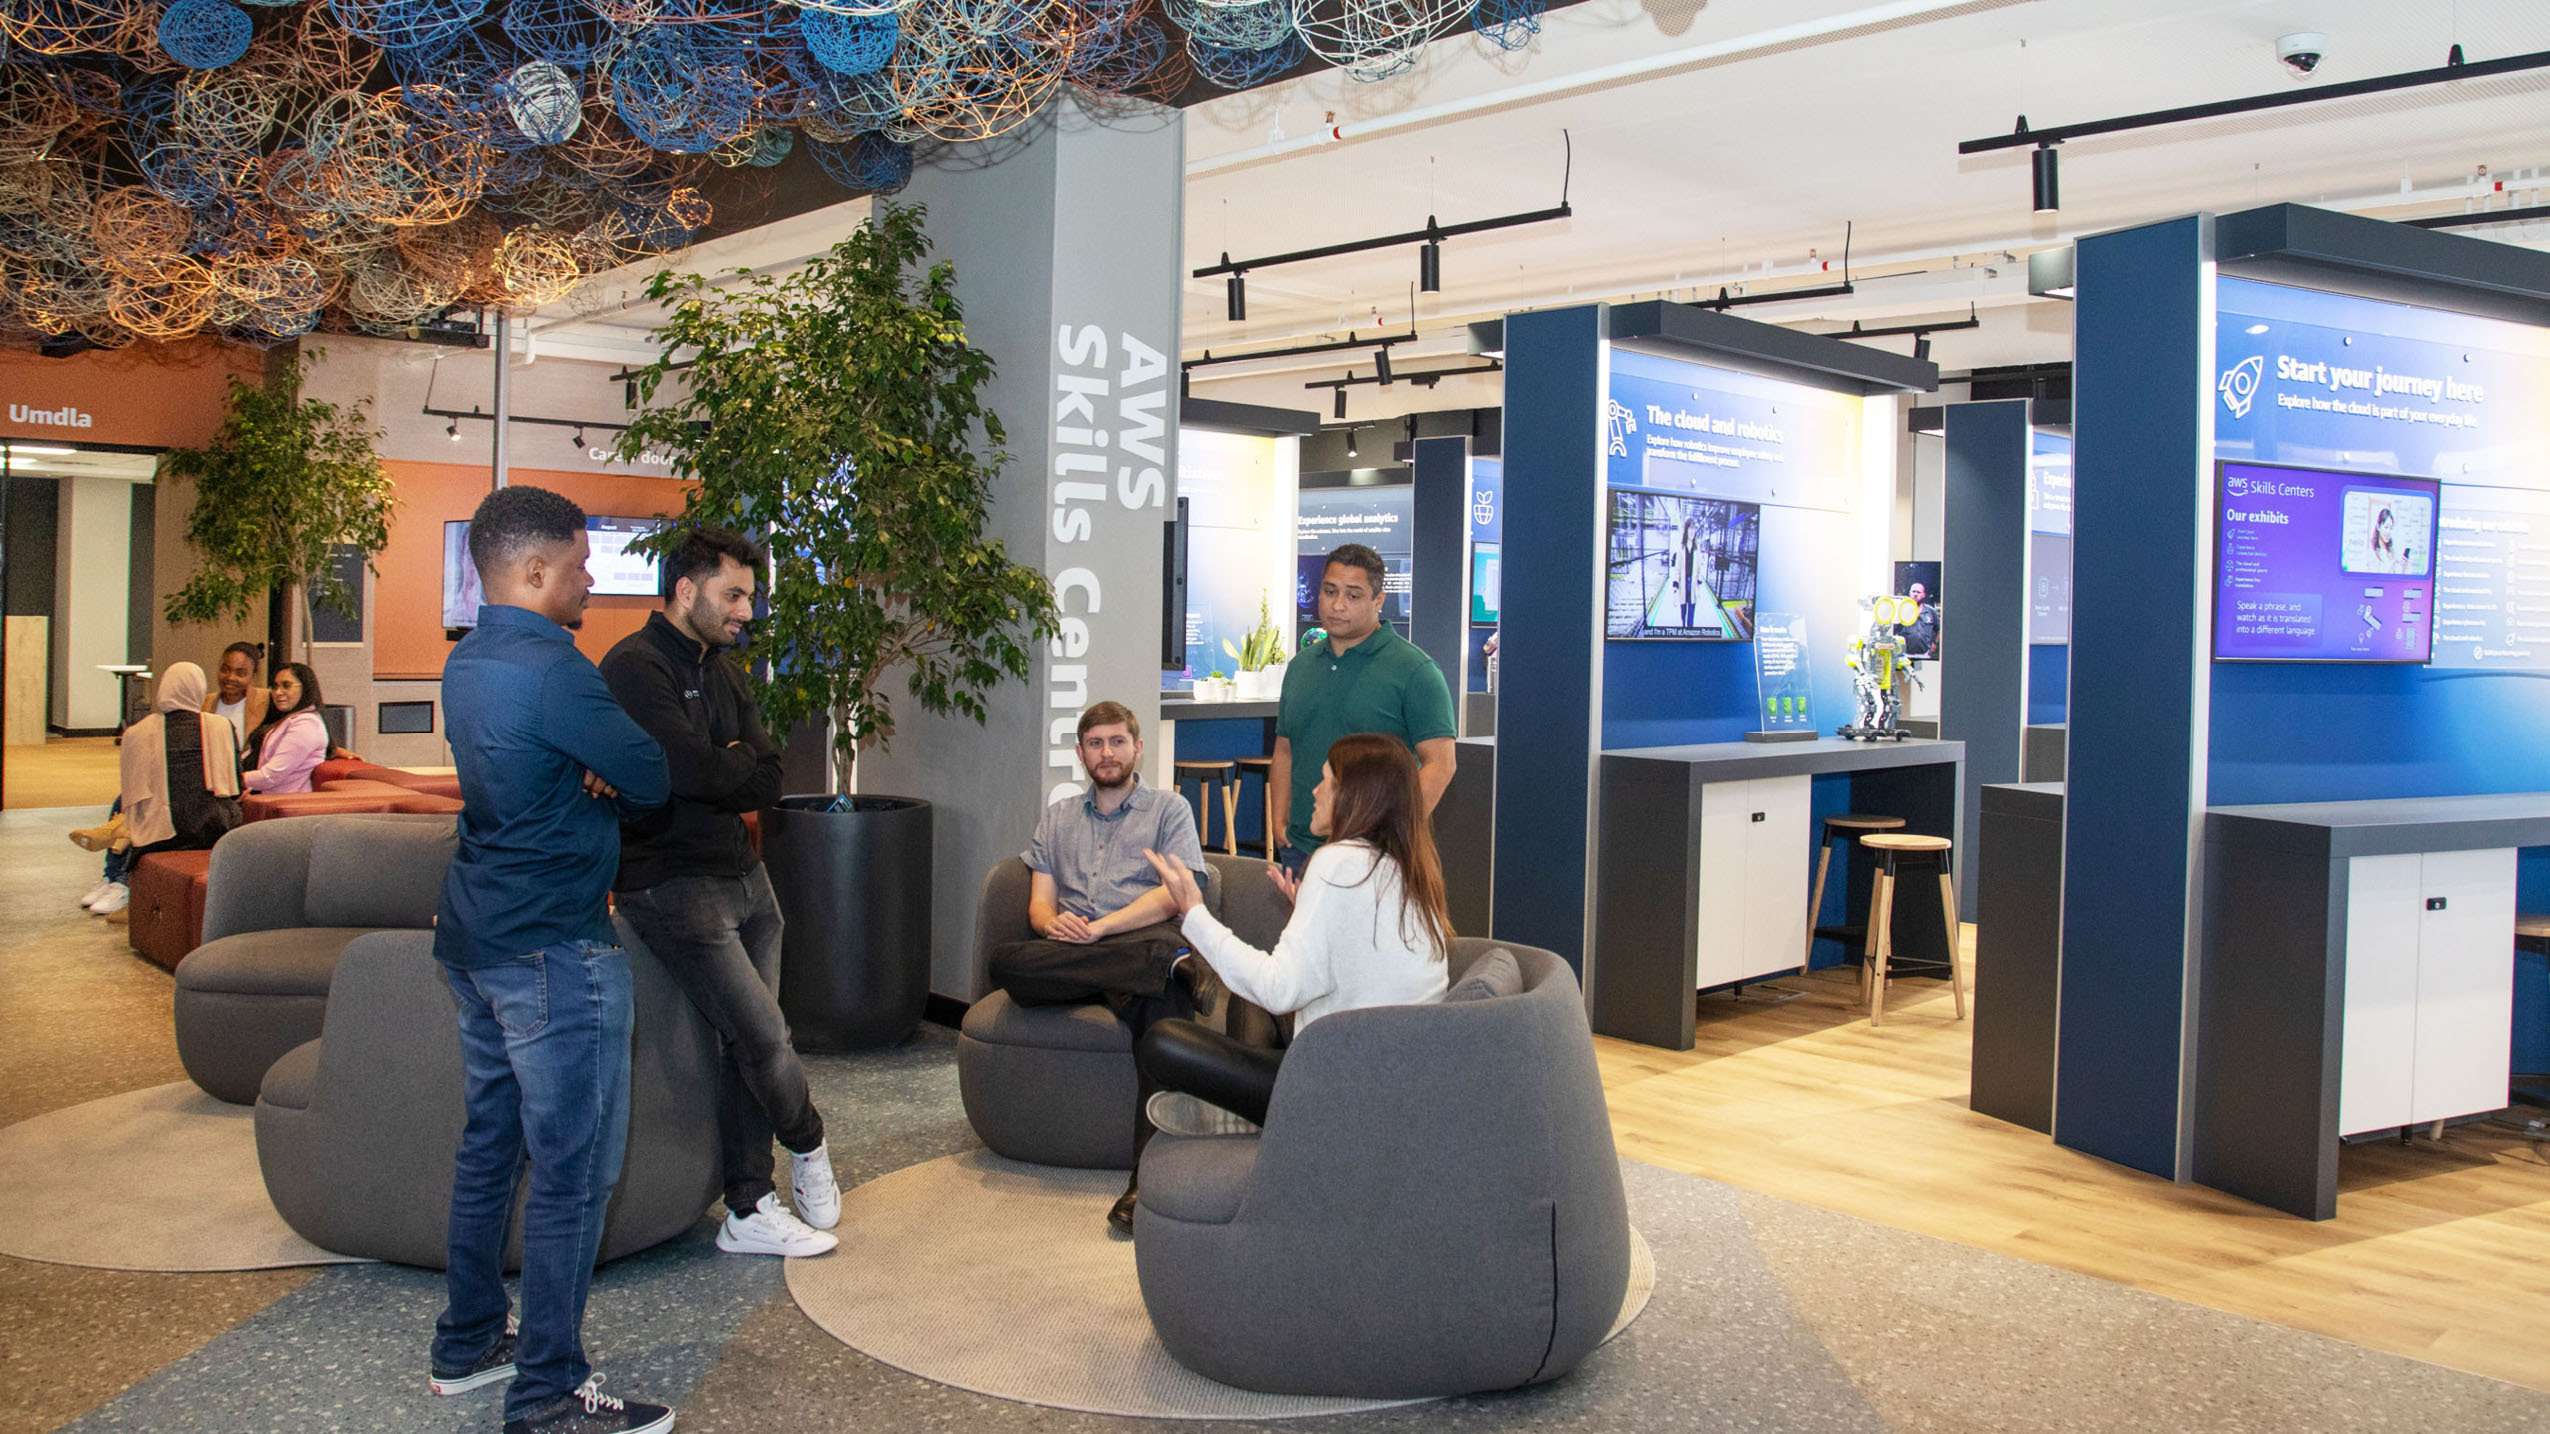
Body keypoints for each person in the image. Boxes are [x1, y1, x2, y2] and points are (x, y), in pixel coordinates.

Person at [429, 485, 675, 1434]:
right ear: (533, 572)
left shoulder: (470, 661)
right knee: (573, 1170)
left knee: (492, 1144)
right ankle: (547, 1393)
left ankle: (466, 1345)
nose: (589, 580)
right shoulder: (556, 669)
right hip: (553, 949)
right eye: (578, 565)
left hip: (475, 937)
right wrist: (602, 769)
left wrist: (588, 770)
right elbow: (650, 775)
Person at [600, 528, 840, 1261]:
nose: (747, 611)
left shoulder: (726, 669)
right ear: (685, 591)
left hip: (745, 877)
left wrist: (722, 767)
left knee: (749, 1042)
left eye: (749, 595)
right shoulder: (634, 669)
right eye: (734, 595)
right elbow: (684, 772)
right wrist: (718, 766)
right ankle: (808, 1139)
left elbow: (769, 774)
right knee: (766, 1034)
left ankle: (748, 1205)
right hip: (672, 883)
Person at [1134, 733, 1452, 1131]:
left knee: (1162, 1041)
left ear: (1354, 797)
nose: (1315, 791)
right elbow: (1348, 965)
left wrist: (1193, 912)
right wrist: (1309, 911)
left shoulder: (1337, 862)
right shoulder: (1407, 866)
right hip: (1393, 1076)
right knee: (1250, 1005)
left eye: (1327, 782)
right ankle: (1249, 1114)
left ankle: (1260, 1118)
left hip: (1342, 1089)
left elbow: (1278, 989)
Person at [990, 699, 1215, 1233]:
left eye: (1117, 741)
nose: (1107, 752)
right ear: (1080, 753)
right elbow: (1039, 903)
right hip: (1080, 951)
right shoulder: (1059, 816)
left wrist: (1103, 929)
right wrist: (1053, 928)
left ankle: (1145, 1180)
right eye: (1096, 743)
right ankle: (1165, 963)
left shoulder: (1168, 810)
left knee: (1163, 1017)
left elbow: (1175, 896)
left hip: (1136, 935)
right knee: (1007, 962)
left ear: (1138, 748)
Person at [1271, 544, 1457, 876]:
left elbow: (1440, 765)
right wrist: (1279, 818)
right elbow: (1285, 750)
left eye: (1353, 596)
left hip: (1377, 858)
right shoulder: (1300, 667)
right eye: (1330, 591)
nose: (1337, 605)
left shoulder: (1416, 670)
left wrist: (1396, 834)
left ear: (1378, 601)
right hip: (1300, 849)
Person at [80, 663, 244, 915]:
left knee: (129, 808)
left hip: (159, 835)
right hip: (213, 828)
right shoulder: (221, 726)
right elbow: (235, 784)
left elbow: (133, 792)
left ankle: (118, 879)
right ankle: (116, 880)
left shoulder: (137, 732)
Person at [242, 662, 329, 795]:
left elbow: (270, 776)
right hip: (264, 799)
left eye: (286, 686)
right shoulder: (287, 719)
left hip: (285, 804)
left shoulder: (306, 725)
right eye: (275, 687)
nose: (278, 692)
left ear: (305, 688)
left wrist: (232, 780)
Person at [204, 642, 269, 754]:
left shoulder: (266, 701)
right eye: (225, 670)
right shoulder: (204, 703)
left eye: (240, 673)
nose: (230, 677)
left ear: (253, 676)